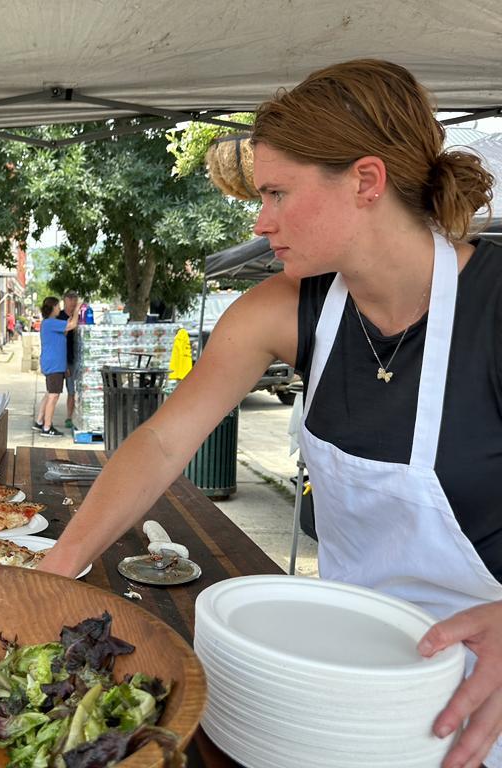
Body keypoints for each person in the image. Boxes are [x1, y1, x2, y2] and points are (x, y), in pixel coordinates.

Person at [39, 59, 502, 768]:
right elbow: (164, 441)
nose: (261, 220)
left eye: (278, 193)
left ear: (366, 182)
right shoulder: (283, 310)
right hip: (343, 672)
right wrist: (61, 563)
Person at [34, 296, 78, 436]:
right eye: (58, 306)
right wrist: (77, 309)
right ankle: (47, 427)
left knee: (49, 393)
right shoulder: (50, 322)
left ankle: (40, 421)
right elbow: (71, 326)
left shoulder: (50, 324)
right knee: (54, 396)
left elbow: (65, 331)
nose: (60, 309)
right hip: (54, 365)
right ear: (52, 308)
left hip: (55, 364)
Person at [56, 290, 80, 429]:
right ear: (64, 300)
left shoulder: (79, 317)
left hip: (73, 359)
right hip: (61, 359)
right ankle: (45, 420)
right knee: (54, 392)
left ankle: (69, 417)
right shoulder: (59, 317)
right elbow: (61, 337)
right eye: (70, 298)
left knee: (72, 391)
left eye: (75, 299)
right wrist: (64, 364)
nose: (73, 302)